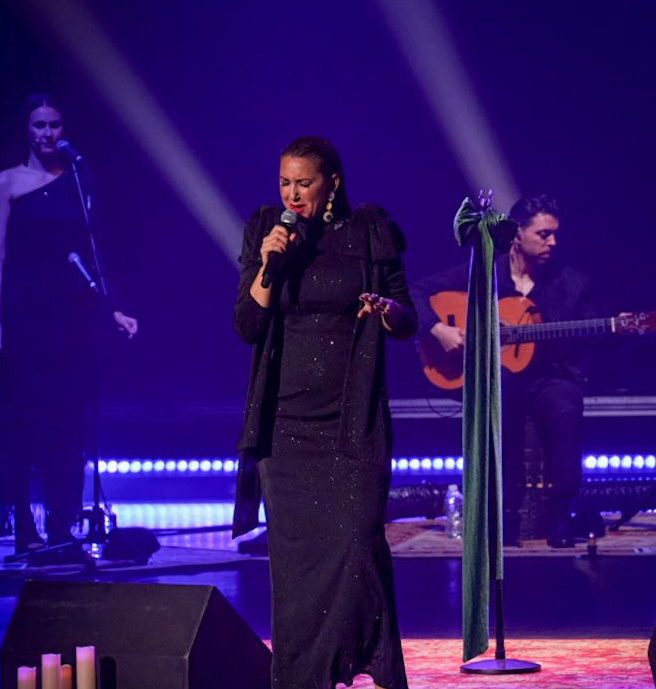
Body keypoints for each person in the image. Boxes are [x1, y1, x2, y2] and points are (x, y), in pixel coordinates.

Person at [232, 136, 416, 689]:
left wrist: (384, 308)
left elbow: (408, 318)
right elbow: (246, 325)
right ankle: (303, 677)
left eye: (303, 183)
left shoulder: (367, 231)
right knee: (297, 569)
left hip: (350, 423)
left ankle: (364, 659)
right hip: (284, 431)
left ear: (331, 182)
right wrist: (269, 263)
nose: (293, 195)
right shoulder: (267, 230)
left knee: (358, 543)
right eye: (285, 183)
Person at [0, 93, 137, 556]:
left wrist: (113, 307)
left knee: (68, 423)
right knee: (27, 419)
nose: (47, 133)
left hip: (72, 313)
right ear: (25, 130)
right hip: (25, 310)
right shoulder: (6, 182)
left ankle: (62, 522)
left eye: (54, 124)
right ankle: (25, 525)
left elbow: (94, 251)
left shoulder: (78, 178)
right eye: (38, 125)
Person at [413, 194, 594, 548]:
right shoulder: (484, 272)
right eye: (543, 235)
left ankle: (561, 513)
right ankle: (505, 514)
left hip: (548, 378)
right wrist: (439, 329)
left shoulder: (571, 283)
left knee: (565, 407)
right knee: (502, 392)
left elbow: (587, 331)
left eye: (555, 235)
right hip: (497, 377)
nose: (552, 242)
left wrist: (616, 329)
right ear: (517, 234)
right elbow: (414, 292)